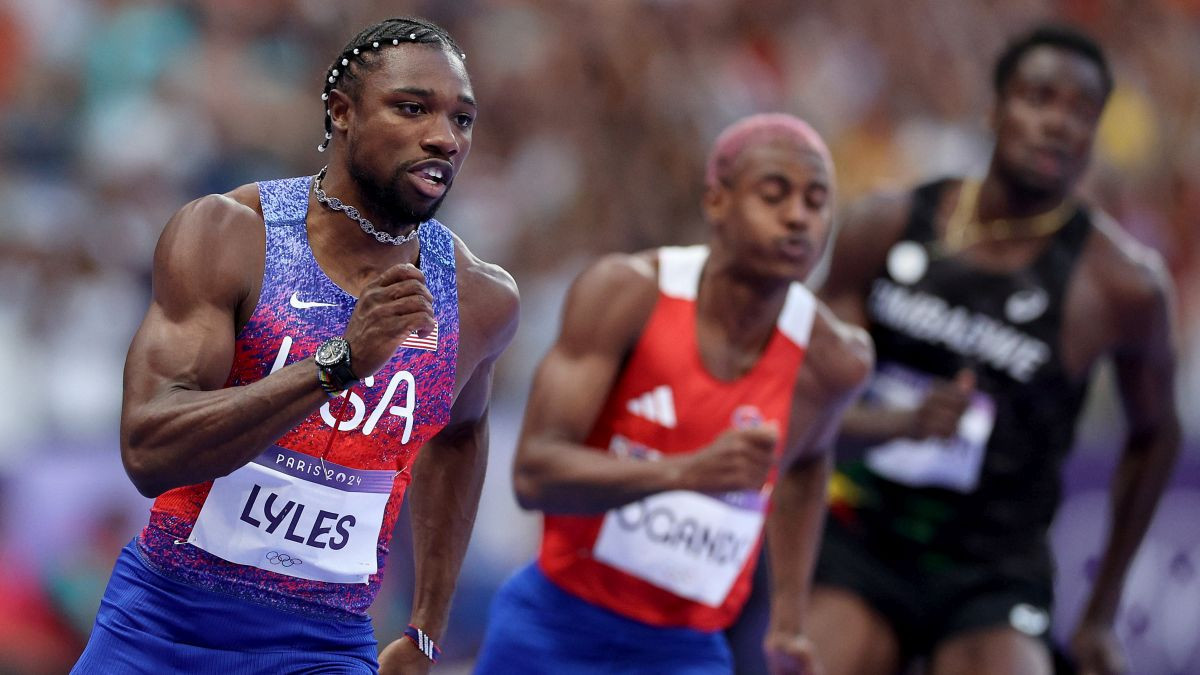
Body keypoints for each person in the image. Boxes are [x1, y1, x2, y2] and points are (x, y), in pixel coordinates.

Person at [72, 17, 518, 674]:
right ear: (342, 112)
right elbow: (148, 446)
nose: (444, 138)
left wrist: (426, 626)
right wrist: (336, 364)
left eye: (463, 119)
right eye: (413, 108)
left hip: (323, 646)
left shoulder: (480, 300)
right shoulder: (231, 236)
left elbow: (463, 433)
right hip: (163, 626)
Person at [808, 24, 1180, 675]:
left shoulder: (1121, 285)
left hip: (995, 570)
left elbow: (1155, 434)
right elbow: (805, 400)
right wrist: (895, 426)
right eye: (1039, 99)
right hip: (866, 541)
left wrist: (1099, 611)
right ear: (994, 109)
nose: (1058, 125)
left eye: (1081, 113)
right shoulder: (883, 225)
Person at [475, 113, 873, 674]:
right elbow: (534, 475)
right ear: (716, 201)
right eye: (774, 195)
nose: (797, 219)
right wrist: (687, 473)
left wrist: (788, 617)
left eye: (816, 201)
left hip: (686, 652)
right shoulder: (625, 294)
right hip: (556, 624)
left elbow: (808, 465)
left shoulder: (834, 361)